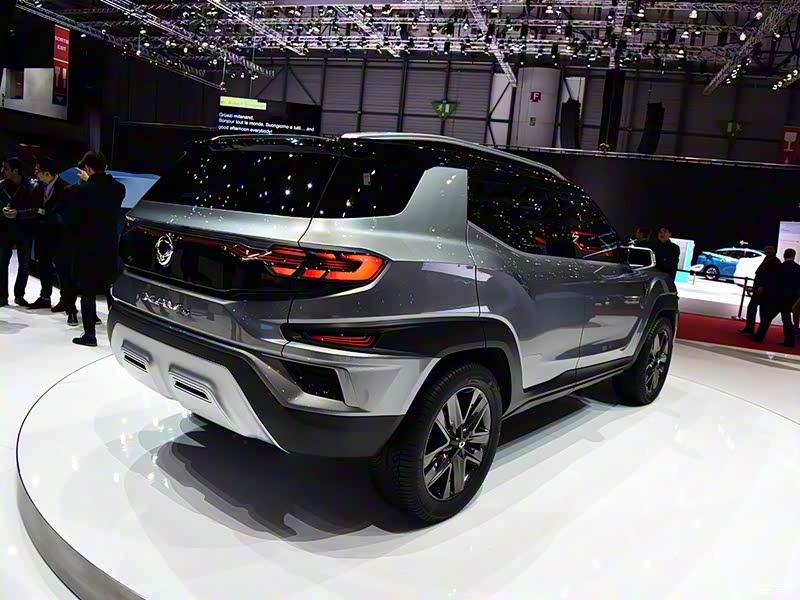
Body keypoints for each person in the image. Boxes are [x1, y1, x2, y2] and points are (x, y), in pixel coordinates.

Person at [68, 151, 125, 347]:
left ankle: (90, 335)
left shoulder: (81, 190)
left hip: (87, 246)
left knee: (88, 292)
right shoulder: (119, 188)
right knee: (111, 291)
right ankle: (120, 333)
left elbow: (73, 220)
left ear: (87, 168)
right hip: (110, 245)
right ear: (105, 166)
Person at [27, 157, 77, 313]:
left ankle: (65, 299)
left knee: (62, 269)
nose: (35, 174)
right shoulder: (38, 187)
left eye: (38, 171)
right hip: (42, 234)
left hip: (59, 235)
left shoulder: (65, 188)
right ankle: (45, 297)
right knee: (43, 266)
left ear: (47, 173)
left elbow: (66, 214)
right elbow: (35, 207)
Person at [0, 157, 40, 307]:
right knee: (2, 263)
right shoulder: (1, 186)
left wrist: (18, 214)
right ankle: (2, 296)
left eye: (5, 168)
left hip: (24, 230)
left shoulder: (32, 186)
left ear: (15, 171)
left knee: (24, 265)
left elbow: (38, 210)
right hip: (4, 230)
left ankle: (19, 295)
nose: (2, 171)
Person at [752, 248, 800, 347]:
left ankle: (759, 336)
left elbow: (774, 281)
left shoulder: (780, 267)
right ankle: (789, 340)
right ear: (794, 256)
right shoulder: (798, 268)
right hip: (790, 297)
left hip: (778, 296)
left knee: (767, 317)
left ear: (784, 255)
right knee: (786, 318)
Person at [739, 245, 782, 336]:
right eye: (766, 249)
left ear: (774, 250)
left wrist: (763, 286)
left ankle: (756, 332)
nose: (768, 250)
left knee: (762, 311)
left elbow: (772, 278)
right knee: (752, 309)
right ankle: (750, 329)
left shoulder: (775, 262)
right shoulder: (767, 259)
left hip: (764, 291)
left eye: (770, 249)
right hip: (759, 289)